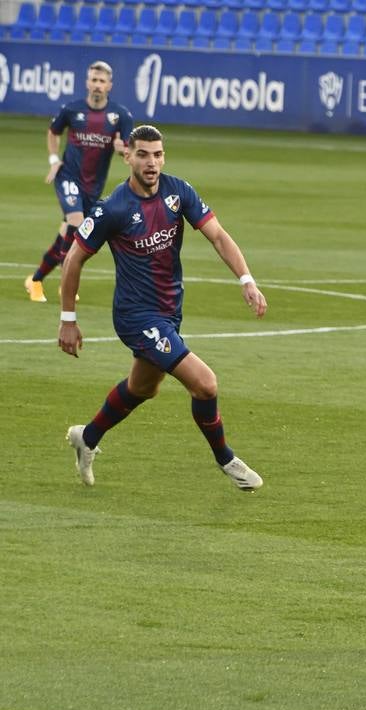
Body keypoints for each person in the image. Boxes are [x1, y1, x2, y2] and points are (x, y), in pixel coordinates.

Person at [57, 125, 267, 492]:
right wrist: (68, 320)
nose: (151, 163)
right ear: (128, 157)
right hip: (136, 316)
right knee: (205, 384)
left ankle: (86, 437)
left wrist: (246, 279)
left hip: (169, 310)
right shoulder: (113, 208)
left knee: (143, 388)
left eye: (157, 154)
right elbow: (73, 259)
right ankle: (226, 460)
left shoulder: (178, 191)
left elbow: (217, 235)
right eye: (143, 155)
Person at [24, 61, 134, 304]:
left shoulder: (121, 116)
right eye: (93, 80)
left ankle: (35, 280)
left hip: (93, 188)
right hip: (68, 177)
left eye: (101, 81)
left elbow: (130, 153)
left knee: (66, 234)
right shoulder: (71, 109)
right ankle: (67, 283)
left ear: (109, 86)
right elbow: (53, 132)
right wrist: (54, 160)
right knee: (77, 222)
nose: (97, 85)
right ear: (87, 83)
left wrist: (122, 150)